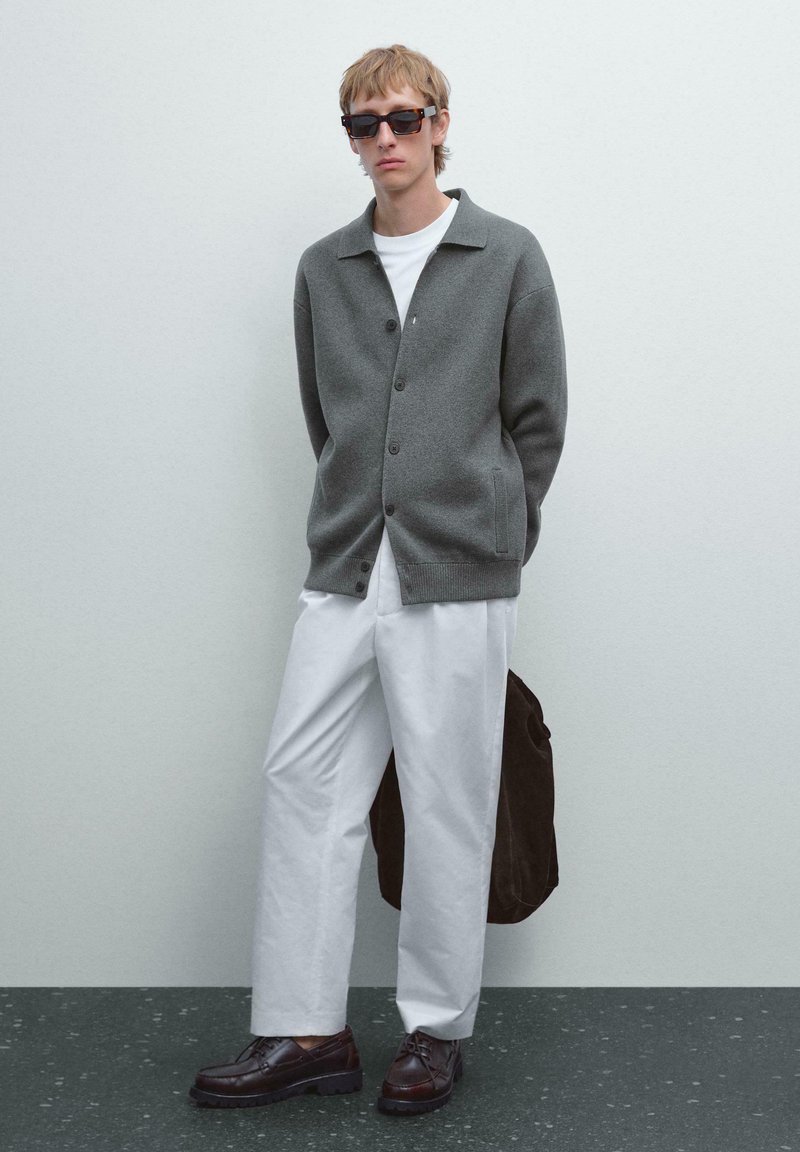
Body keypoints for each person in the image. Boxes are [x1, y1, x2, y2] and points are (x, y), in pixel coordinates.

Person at [189, 42, 567, 1117]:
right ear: (351, 139)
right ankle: (305, 1030)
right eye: (365, 125)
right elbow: (329, 421)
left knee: (447, 798)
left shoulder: (506, 255)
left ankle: (435, 1033)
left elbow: (537, 418)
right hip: (352, 560)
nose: (386, 139)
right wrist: (368, 506)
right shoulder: (325, 269)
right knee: (301, 778)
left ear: (440, 124)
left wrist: (494, 529)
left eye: (403, 119)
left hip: (460, 567)